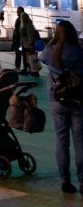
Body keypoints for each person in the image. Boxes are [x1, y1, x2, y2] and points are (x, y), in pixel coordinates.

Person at [40, 20, 83, 194]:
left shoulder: (50, 51)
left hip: (56, 100)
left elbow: (42, 58)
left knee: (61, 141)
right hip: (77, 101)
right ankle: (82, 181)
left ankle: (65, 180)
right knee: (80, 142)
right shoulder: (78, 52)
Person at [19, 11, 41, 77]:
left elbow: (30, 35)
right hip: (26, 44)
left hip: (28, 44)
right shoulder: (27, 25)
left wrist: (31, 44)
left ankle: (34, 71)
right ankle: (32, 70)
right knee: (29, 58)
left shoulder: (27, 25)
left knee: (30, 58)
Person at [12, 6, 27, 72]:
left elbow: (19, 30)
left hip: (19, 40)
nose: (16, 12)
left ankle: (19, 67)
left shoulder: (20, 20)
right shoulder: (20, 19)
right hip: (19, 39)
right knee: (22, 53)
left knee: (19, 53)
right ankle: (24, 67)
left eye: (18, 11)